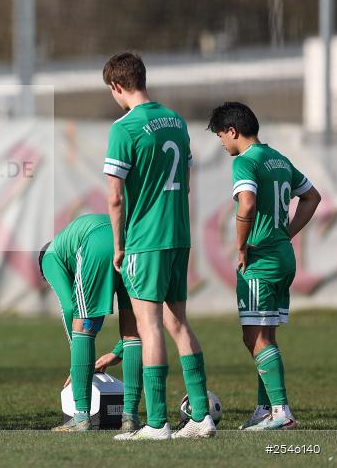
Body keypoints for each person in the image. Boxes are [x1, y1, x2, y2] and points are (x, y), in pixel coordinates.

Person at [101, 51, 214, 440]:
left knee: (150, 329)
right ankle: (201, 416)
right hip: (178, 235)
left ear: (117, 86)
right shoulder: (177, 122)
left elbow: (115, 197)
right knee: (178, 324)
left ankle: (156, 424)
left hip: (145, 241)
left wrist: (119, 244)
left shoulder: (124, 128)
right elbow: (185, 174)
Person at [207, 102, 320, 430]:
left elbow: (248, 203)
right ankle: (264, 409)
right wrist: (287, 233)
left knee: (253, 337)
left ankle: (281, 412)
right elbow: (312, 197)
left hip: (261, 260)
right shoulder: (278, 159)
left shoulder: (246, 161)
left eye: (221, 137)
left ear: (233, 131)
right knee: (266, 332)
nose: (222, 144)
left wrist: (241, 246)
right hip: (283, 256)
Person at [38, 214, 141, 432]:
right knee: (134, 328)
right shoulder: (70, 238)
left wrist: (79, 366)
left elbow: (68, 308)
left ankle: (81, 417)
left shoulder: (49, 256)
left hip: (96, 244)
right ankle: (130, 416)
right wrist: (116, 353)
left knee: (83, 327)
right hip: (130, 238)